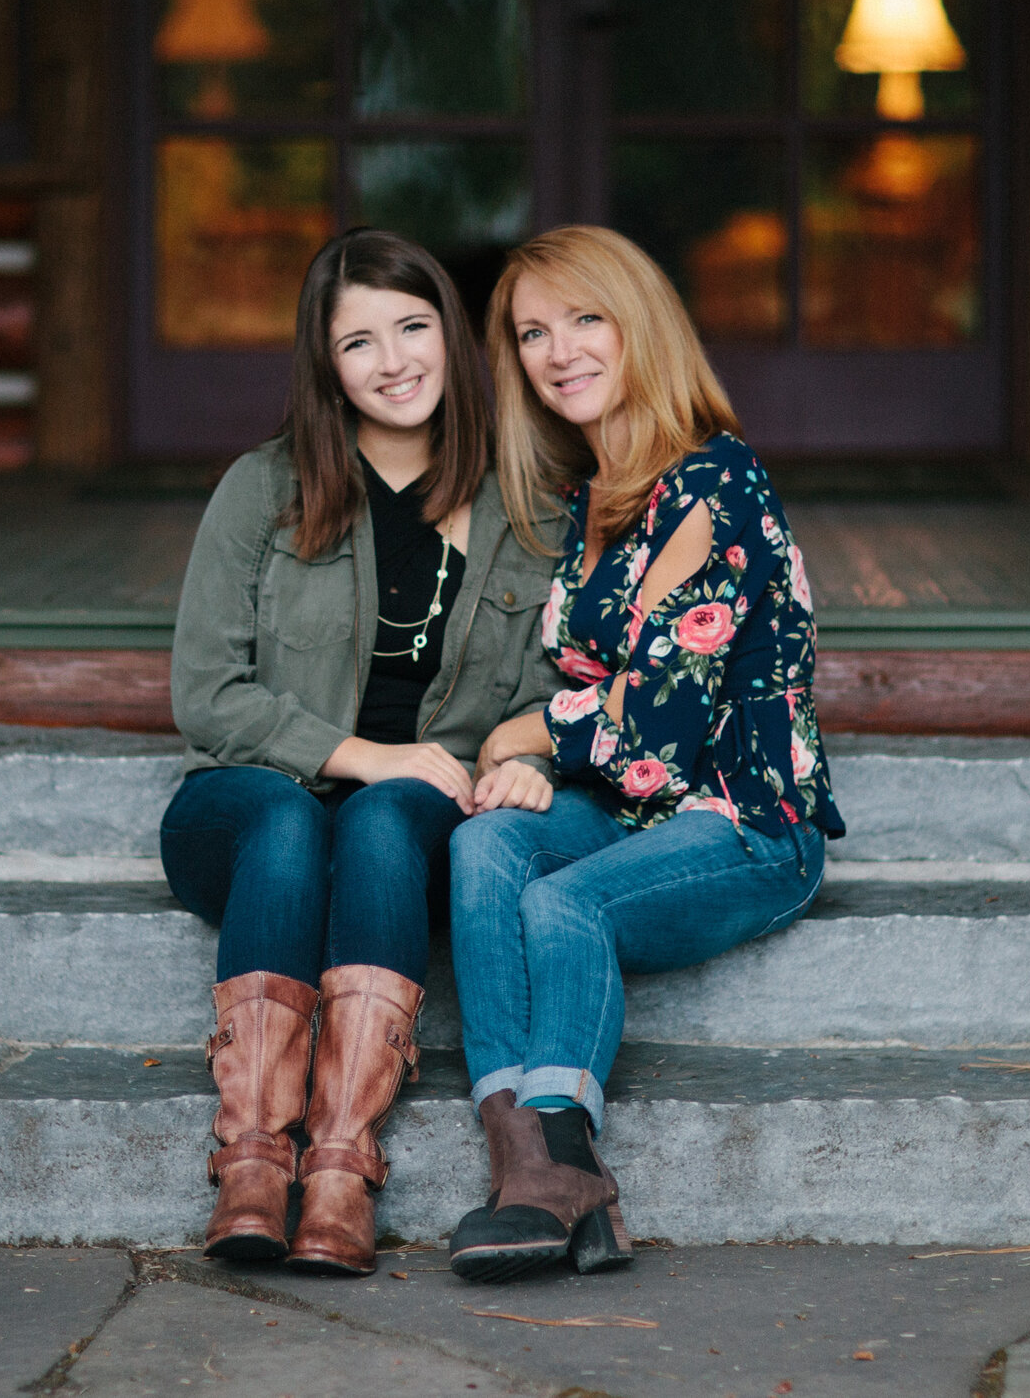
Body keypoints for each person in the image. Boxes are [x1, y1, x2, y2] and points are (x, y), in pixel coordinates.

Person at [444, 224, 844, 1281]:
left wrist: (520, 732)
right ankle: (524, 1163)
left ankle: (559, 1157)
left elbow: (655, 727)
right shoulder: (590, 504)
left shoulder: (715, 483)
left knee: (559, 902)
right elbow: (601, 709)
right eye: (531, 331)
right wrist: (531, 755)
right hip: (630, 810)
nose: (556, 350)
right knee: (485, 845)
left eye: (586, 319)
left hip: (743, 823)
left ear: (641, 329)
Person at [165, 228, 565, 1275]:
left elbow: (554, 690)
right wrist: (361, 751)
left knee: (388, 819)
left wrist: (528, 754)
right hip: (251, 813)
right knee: (294, 815)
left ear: (451, 334)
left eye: (412, 327)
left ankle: (340, 1166)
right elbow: (205, 695)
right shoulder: (265, 488)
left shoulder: (531, 507)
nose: (393, 361)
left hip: (411, 822)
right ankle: (252, 1161)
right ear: (325, 365)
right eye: (358, 343)